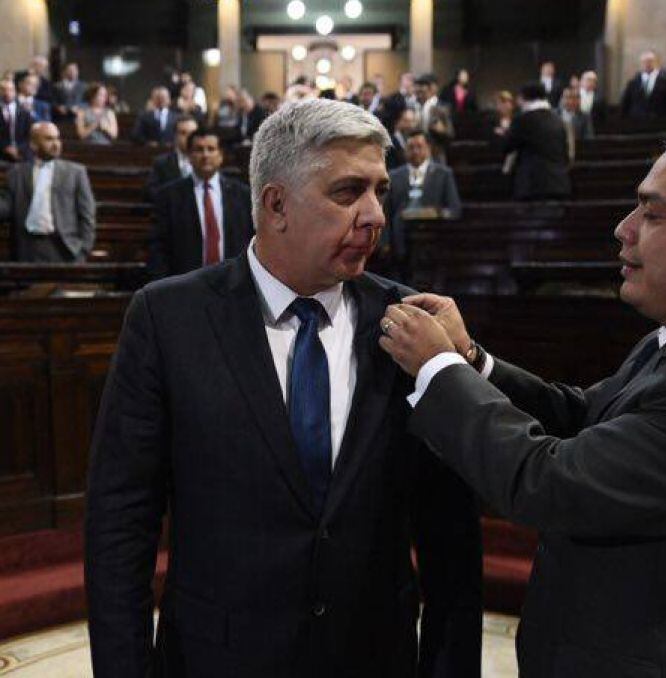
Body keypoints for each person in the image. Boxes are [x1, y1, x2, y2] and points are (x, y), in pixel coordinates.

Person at [379, 114, 666, 677]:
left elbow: (550, 482)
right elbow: (582, 417)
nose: (624, 229)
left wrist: (437, 368)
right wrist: (471, 357)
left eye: (653, 214)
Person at [86, 97, 482, 677]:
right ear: (276, 205)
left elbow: (450, 536)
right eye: (348, 192)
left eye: (380, 191)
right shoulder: (167, 319)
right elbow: (121, 524)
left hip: (374, 658)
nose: (374, 215)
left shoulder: (413, 325)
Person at [147, 129, 253, 279]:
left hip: (232, 283)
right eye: (199, 149)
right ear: (189, 156)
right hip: (185, 283)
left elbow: (251, 241)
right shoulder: (169, 196)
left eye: (211, 149)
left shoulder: (242, 195)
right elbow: (158, 247)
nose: (205, 155)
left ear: (220, 155)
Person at [0, 122, 95, 262]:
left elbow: (87, 214)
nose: (56, 144)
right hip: (27, 248)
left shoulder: (75, 172)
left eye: (57, 138)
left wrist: (83, 250)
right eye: (49, 139)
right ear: (33, 144)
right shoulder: (16, 173)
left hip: (64, 248)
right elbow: (5, 208)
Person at [384, 129, 462, 263]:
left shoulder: (443, 174)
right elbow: (386, 212)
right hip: (399, 243)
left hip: (433, 242)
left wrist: (435, 213)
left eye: (419, 147)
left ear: (428, 148)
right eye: (411, 147)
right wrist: (384, 243)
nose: (415, 151)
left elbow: (455, 210)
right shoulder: (394, 176)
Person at [504, 82, 570, 200]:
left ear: (524, 98)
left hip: (532, 186)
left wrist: (503, 134)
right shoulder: (559, 120)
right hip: (559, 184)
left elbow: (507, 146)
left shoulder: (522, 120)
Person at [144, 114, 198, 202]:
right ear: (175, 136)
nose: (189, 138)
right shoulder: (162, 163)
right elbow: (151, 192)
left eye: (193, 133)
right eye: (183, 133)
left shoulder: (206, 160)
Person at [621, 50, 666, 119]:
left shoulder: (665, 80)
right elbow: (626, 102)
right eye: (644, 62)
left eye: (650, 61)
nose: (647, 64)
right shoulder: (633, 81)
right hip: (636, 119)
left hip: (658, 119)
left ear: (656, 63)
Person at [414, 74, 454, 163]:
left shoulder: (443, 107)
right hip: (419, 154)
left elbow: (451, 133)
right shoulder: (416, 107)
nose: (419, 90)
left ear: (432, 88)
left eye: (422, 87)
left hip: (436, 153)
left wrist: (442, 130)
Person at [0, 78, 33, 162]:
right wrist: (5, 148)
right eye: (3, 89)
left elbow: (29, 135)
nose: (7, 93)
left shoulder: (25, 112)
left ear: (15, 92)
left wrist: (18, 149)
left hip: (22, 152)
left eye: (10, 90)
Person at [558, 86, 594, 162]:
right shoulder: (554, 115)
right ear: (562, 99)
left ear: (579, 100)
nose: (571, 101)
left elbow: (589, 137)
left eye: (575, 98)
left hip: (579, 155)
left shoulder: (585, 117)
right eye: (568, 97)